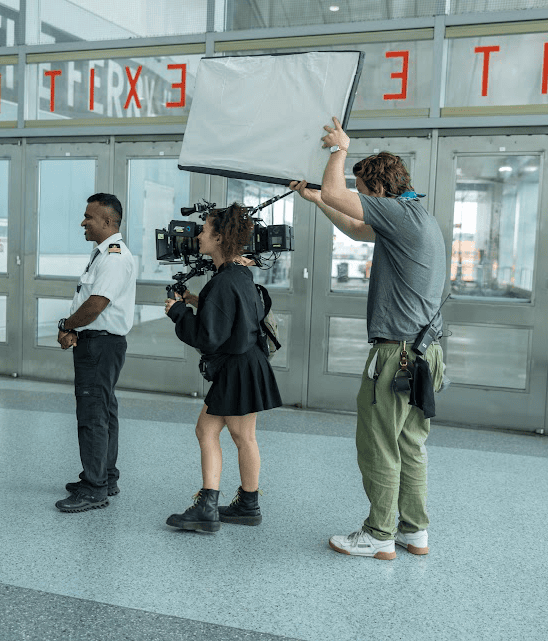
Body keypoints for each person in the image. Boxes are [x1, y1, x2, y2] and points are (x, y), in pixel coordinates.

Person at [290, 117, 445, 560]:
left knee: (378, 445)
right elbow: (356, 228)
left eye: (362, 189)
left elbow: (344, 197)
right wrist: (317, 198)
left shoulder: (398, 213)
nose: (358, 197)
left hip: (396, 355)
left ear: (376, 191)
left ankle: (379, 534)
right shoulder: (415, 216)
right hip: (424, 351)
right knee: (410, 444)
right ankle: (414, 532)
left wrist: (340, 150)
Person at [163, 205, 282, 533]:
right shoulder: (238, 274)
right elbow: (232, 314)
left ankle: (211, 508)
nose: (198, 235)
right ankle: (245, 504)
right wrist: (193, 300)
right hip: (247, 364)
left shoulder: (224, 281)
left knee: (232, 435)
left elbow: (207, 337)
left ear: (219, 237)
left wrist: (178, 312)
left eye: (204, 230)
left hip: (237, 368)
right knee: (221, 432)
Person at [55, 193, 137, 513]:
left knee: (93, 414)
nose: (83, 221)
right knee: (104, 410)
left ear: (107, 222)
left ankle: (94, 488)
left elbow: (96, 304)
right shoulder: (103, 254)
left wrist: (68, 325)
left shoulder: (114, 256)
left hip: (100, 344)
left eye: (89, 217)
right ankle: (106, 476)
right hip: (102, 343)